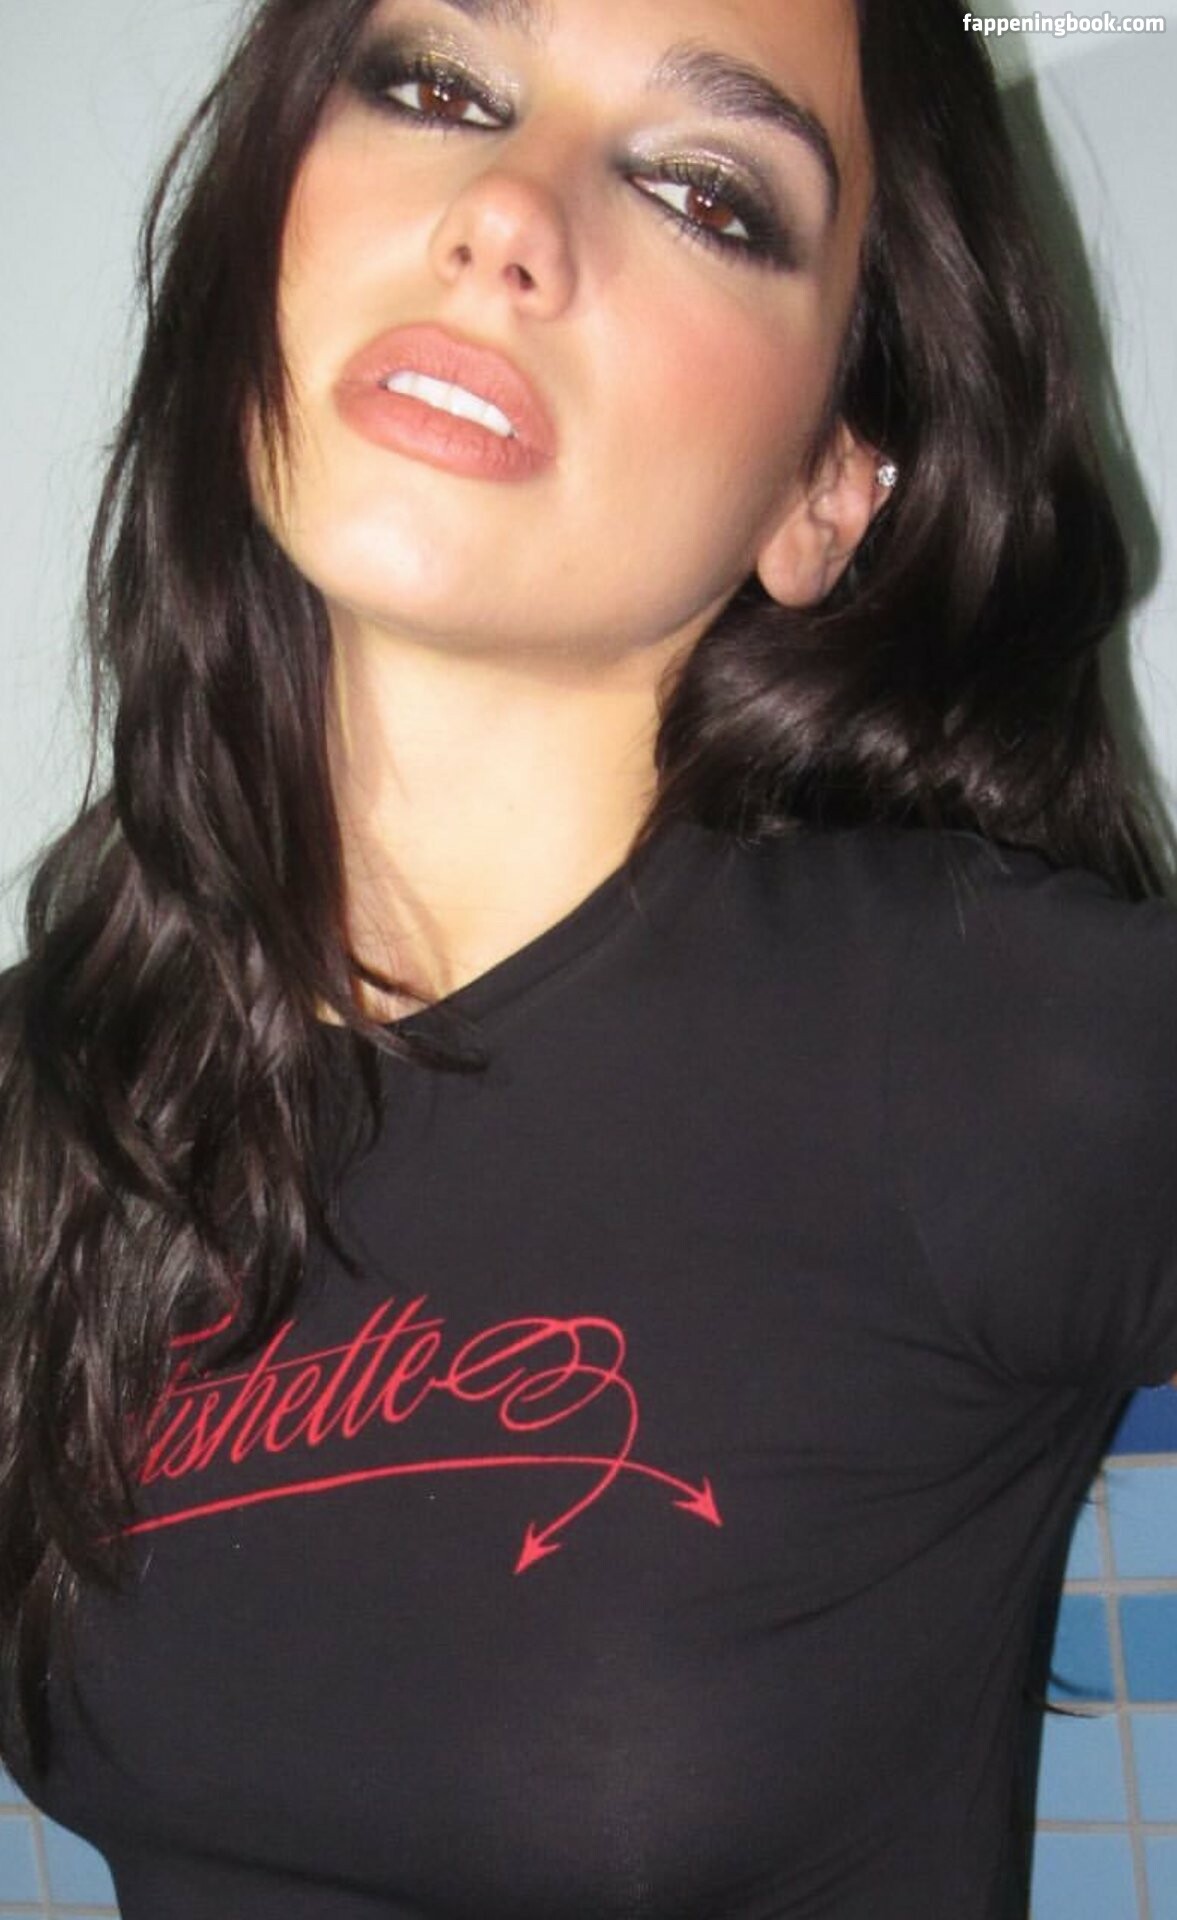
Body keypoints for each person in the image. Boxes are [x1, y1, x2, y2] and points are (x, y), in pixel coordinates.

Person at [0, 0, 1174, 1914]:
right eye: (437, 85)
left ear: (825, 489)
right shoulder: (55, 1103)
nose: (507, 214)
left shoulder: (976, 1048)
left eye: (706, 193)